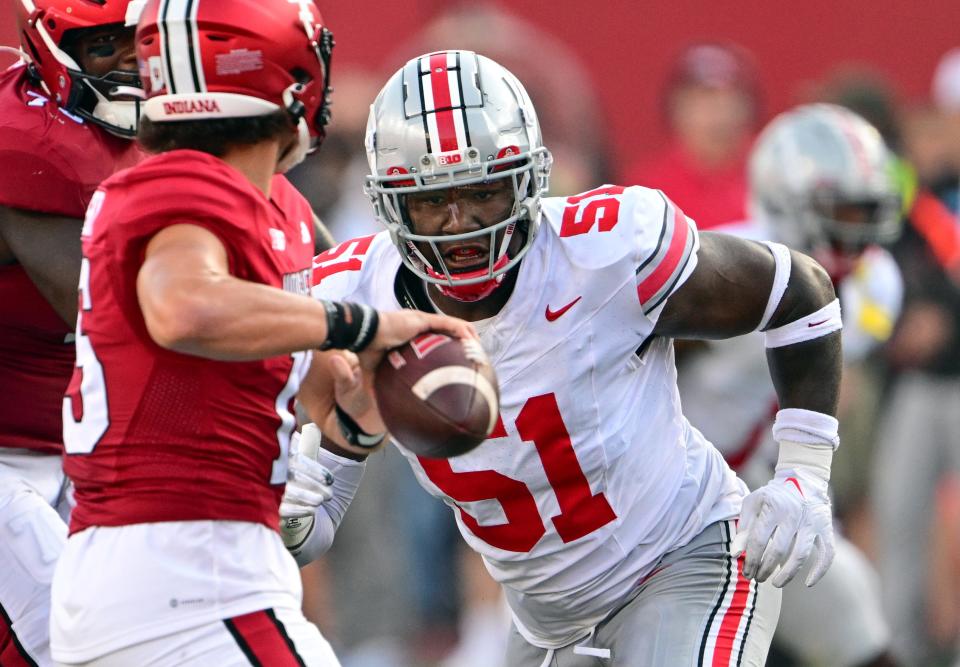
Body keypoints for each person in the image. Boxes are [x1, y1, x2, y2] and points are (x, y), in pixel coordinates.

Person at [304, 49, 844, 665]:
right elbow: (326, 482)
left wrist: (805, 471)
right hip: (544, 622)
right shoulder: (348, 299)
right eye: (432, 201)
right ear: (390, 204)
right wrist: (301, 515)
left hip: (680, 558)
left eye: (484, 190)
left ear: (529, 177)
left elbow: (798, 290)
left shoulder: (606, 252)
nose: (461, 225)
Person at [48, 2, 472, 666]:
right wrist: (357, 323)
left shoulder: (270, 204)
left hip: (188, 567)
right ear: (284, 72)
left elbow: (320, 393)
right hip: (186, 575)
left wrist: (354, 425)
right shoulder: (186, 182)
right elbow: (184, 306)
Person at [677, 104, 903, 667]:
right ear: (788, 201)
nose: (858, 231)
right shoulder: (735, 269)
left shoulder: (876, 287)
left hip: (748, 476)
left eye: (866, 211)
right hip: (665, 484)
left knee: (851, 614)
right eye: (842, 210)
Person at [0, 1, 143, 664]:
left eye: (141, 39)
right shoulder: (32, 146)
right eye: (105, 45)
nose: (132, 60)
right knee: (86, 637)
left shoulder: (179, 124)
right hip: (9, 453)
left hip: (74, 448)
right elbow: (115, 329)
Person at [624, 42, 760, 230]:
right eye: (701, 104)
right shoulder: (648, 188)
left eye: (727, 101)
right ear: (675, 110)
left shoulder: (771, 171)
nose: (717, 116)